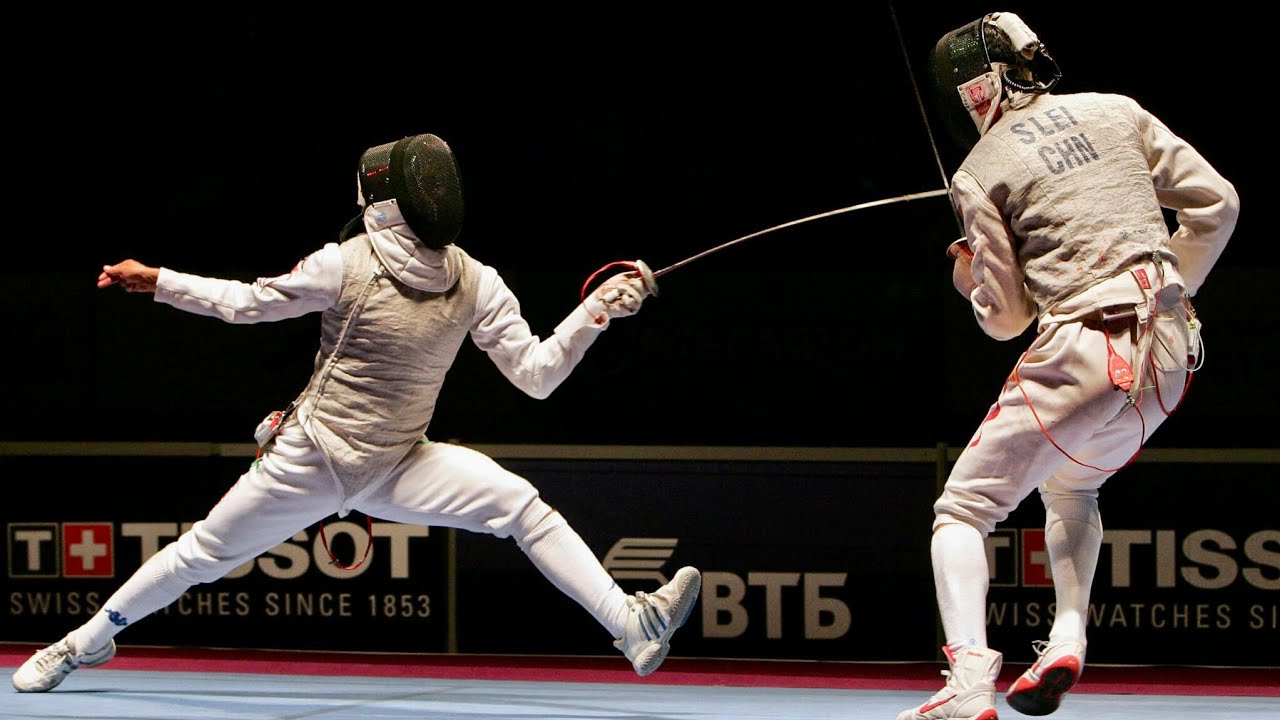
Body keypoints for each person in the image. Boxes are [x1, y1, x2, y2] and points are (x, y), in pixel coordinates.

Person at [12, 133, 701, 693]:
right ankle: (81, 643)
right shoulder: (351, 265)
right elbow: (250, 303)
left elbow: (536, 375)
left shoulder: (470, 279)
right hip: (311, 457)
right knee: (202, 554)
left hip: (400, 461)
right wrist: (162, 283)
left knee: (519, 503)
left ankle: (631, 624)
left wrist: (597, 310)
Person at [898, 12, 1238, 720]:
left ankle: (967, 685)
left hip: (1085, 348)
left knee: (962, 510)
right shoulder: (1116, 110)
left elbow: (1007, 321)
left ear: (972, 90)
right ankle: (1065, 638)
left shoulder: (978, 171)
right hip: (1173, 353)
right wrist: (1166, 289)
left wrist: (970, 277)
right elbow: (1217, 204)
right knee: (1072, 489)